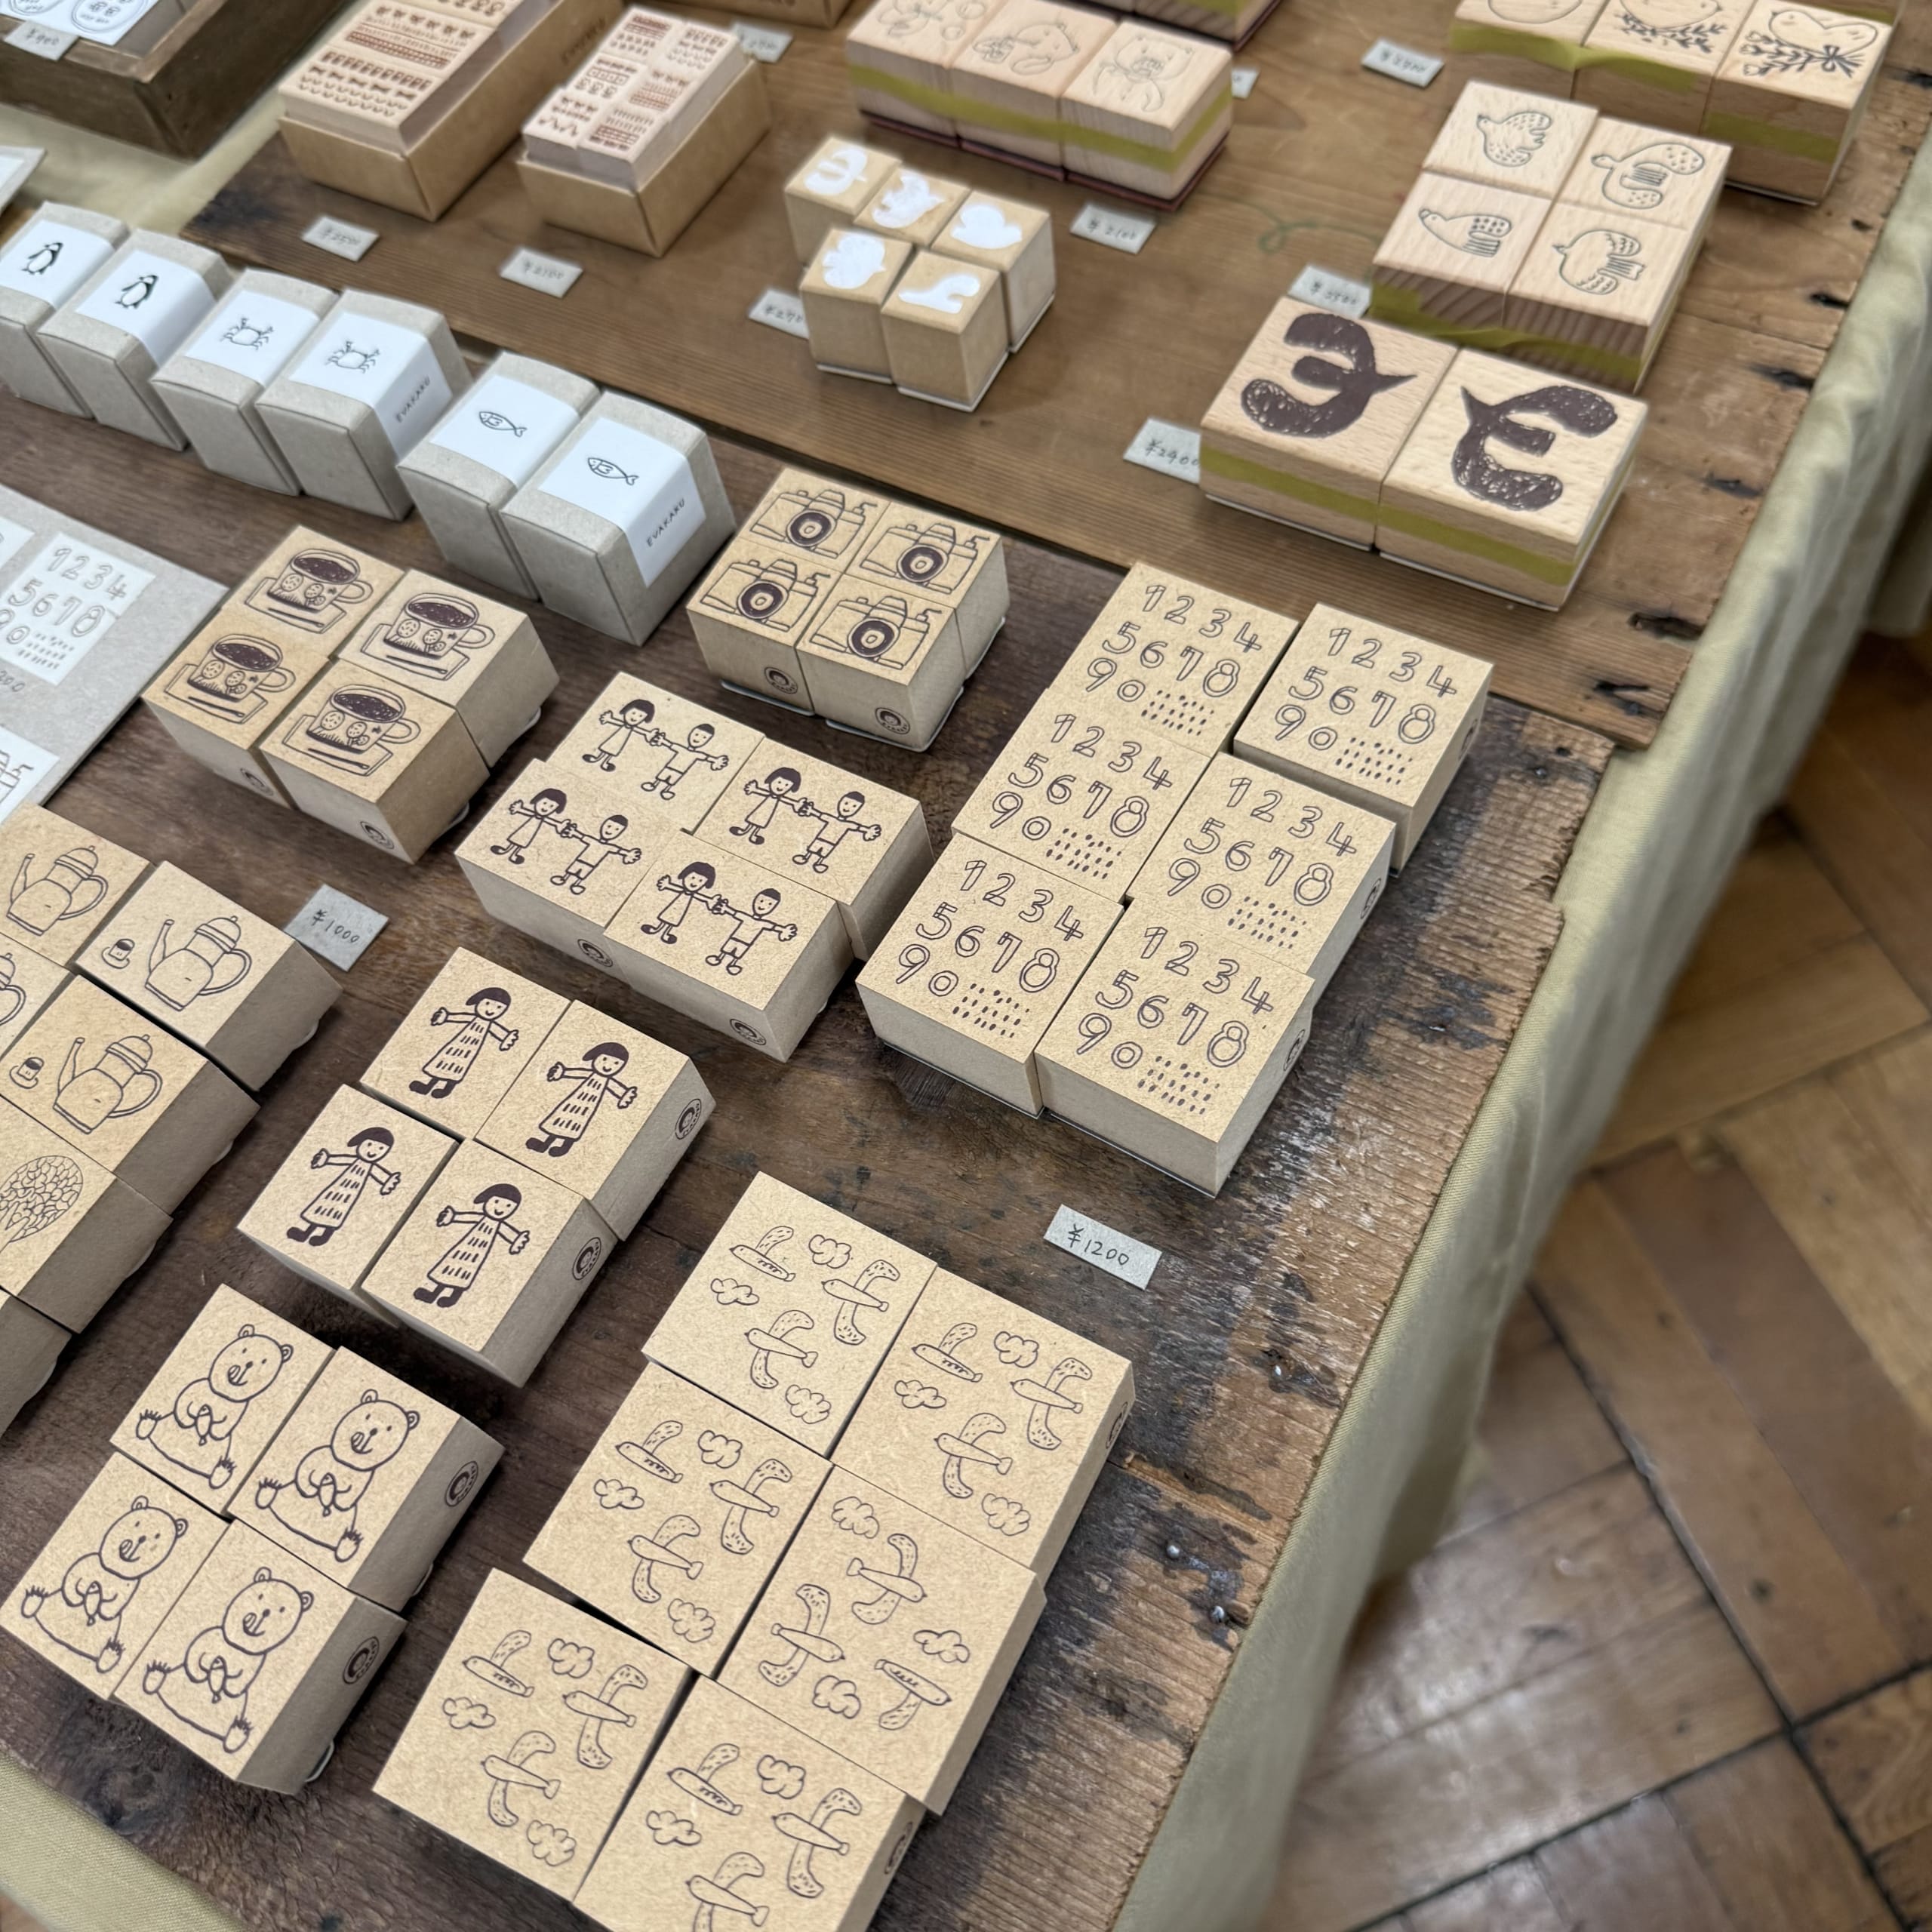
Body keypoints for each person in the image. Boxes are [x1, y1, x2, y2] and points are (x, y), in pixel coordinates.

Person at [414, 1183, 529, 1309]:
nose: (500, 1209)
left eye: (509, 1206)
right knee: (450, 1268)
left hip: (478, 1253)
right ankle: (433, 1294)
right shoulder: (480, 1217)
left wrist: (516, 1240)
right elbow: (467, 1217)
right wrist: (453, 1217)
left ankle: (453, 1299)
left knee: (466, 1272)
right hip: (464, 1248)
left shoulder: (499, 1225)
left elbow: (509, 1233)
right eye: (496, 1201)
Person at [287, 1125, 400, 1245]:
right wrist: (327, 1159)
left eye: (381, 1148)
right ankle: (305, 1234)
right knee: (322, 1207)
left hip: (349, 1195)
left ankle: (324, 1237)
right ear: (360, 1143)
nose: (372, 1152)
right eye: (369, 1145)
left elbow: (380, 1175)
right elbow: (341, 1159)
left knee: (338, 1212)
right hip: (336, 1190)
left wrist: (387, 1181)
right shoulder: (353, 1160)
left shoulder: (371, 1167)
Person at [525, 1044, 635, 1157]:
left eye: (616, 1063)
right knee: (560, 1120)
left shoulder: (607, 1081)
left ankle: (564, 1148)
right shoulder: (589, 1073)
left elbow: (617, 1089)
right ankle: (544, 1145)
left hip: (587, 1107)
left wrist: (624, 1095)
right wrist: (562, 1072)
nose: (608, 1066)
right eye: (604, 1059)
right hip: (574, 1103)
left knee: (577, 1124)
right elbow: (577, 1073)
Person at [411, 988, 517, 1099]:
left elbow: (500, 1033)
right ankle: (428, 1087)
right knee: (443, 1063)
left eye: (499, 1008)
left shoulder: (490, 1025)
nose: (491, 1010)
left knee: (458, 1067)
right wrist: (446, 1017)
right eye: (487, 1003)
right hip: (457, 1046)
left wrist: (506, 1038)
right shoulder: (472, 1018)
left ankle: (446, 1091)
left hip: (469, 1051)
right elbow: (459, 1017)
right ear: (479, 1001)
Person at [706, 886, 797, 976]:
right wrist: (725, 908)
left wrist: (784, 930)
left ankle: (732, 964)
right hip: (735, 938)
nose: (763, 906)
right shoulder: (746, 917)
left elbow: (774, 927)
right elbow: (734, 913)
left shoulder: (763, 923)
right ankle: (719, 958)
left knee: (738, 954)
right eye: (761, 901)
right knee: (727, 949)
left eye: (770, 904)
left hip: (746, 942)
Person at [552, 814, 641, 896]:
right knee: (572, 870)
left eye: (617, 829)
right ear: (603, 825)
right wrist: (572, 832)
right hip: (581, 860)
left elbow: (620, 851)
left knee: (582, 875)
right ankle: (564, 878)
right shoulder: (592, 841)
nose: (610, 830)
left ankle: (576, 884)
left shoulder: (609, 847)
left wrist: (629, 854)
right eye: (609, 826)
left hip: (591, 865)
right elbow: (581, 836)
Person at [635, 860, 721, 946]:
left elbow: (701, 897)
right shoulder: (683, 890)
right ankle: (657, 929)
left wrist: (709, 901)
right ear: (685, 875)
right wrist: (667, 885)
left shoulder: (692, 894)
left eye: (700, 881)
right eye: (693, 878)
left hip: (681, 908)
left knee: (673, 920)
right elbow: (675, 888)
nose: (695, 883)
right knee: (666, 917)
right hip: (675, 905)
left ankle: (665, 934)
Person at [798, 790, 881, 873]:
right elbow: (820, 815)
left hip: (831, 843)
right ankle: (806, 857)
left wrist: (868, 830)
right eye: (846, 803)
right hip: (821, 839)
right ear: (840, 802)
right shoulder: (831, 818)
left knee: (823, 854)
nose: (848, 808)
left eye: (854, 806)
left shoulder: (849, 824)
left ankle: (818, 863)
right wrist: (810, 810)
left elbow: (859, 828)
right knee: (813, 849)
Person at [489, 786, 568, 866]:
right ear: (537, 800)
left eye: (552, 807)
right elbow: (525, 812)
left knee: (522, 842)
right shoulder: (533, 814)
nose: (546, 808)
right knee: (516, 838)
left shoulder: (543, 818)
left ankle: (513, 854)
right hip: (525, 828)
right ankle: (506, 850)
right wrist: (519, 809)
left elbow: (552, 822)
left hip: (531, 831)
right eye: (544, 803)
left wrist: (559, 825)